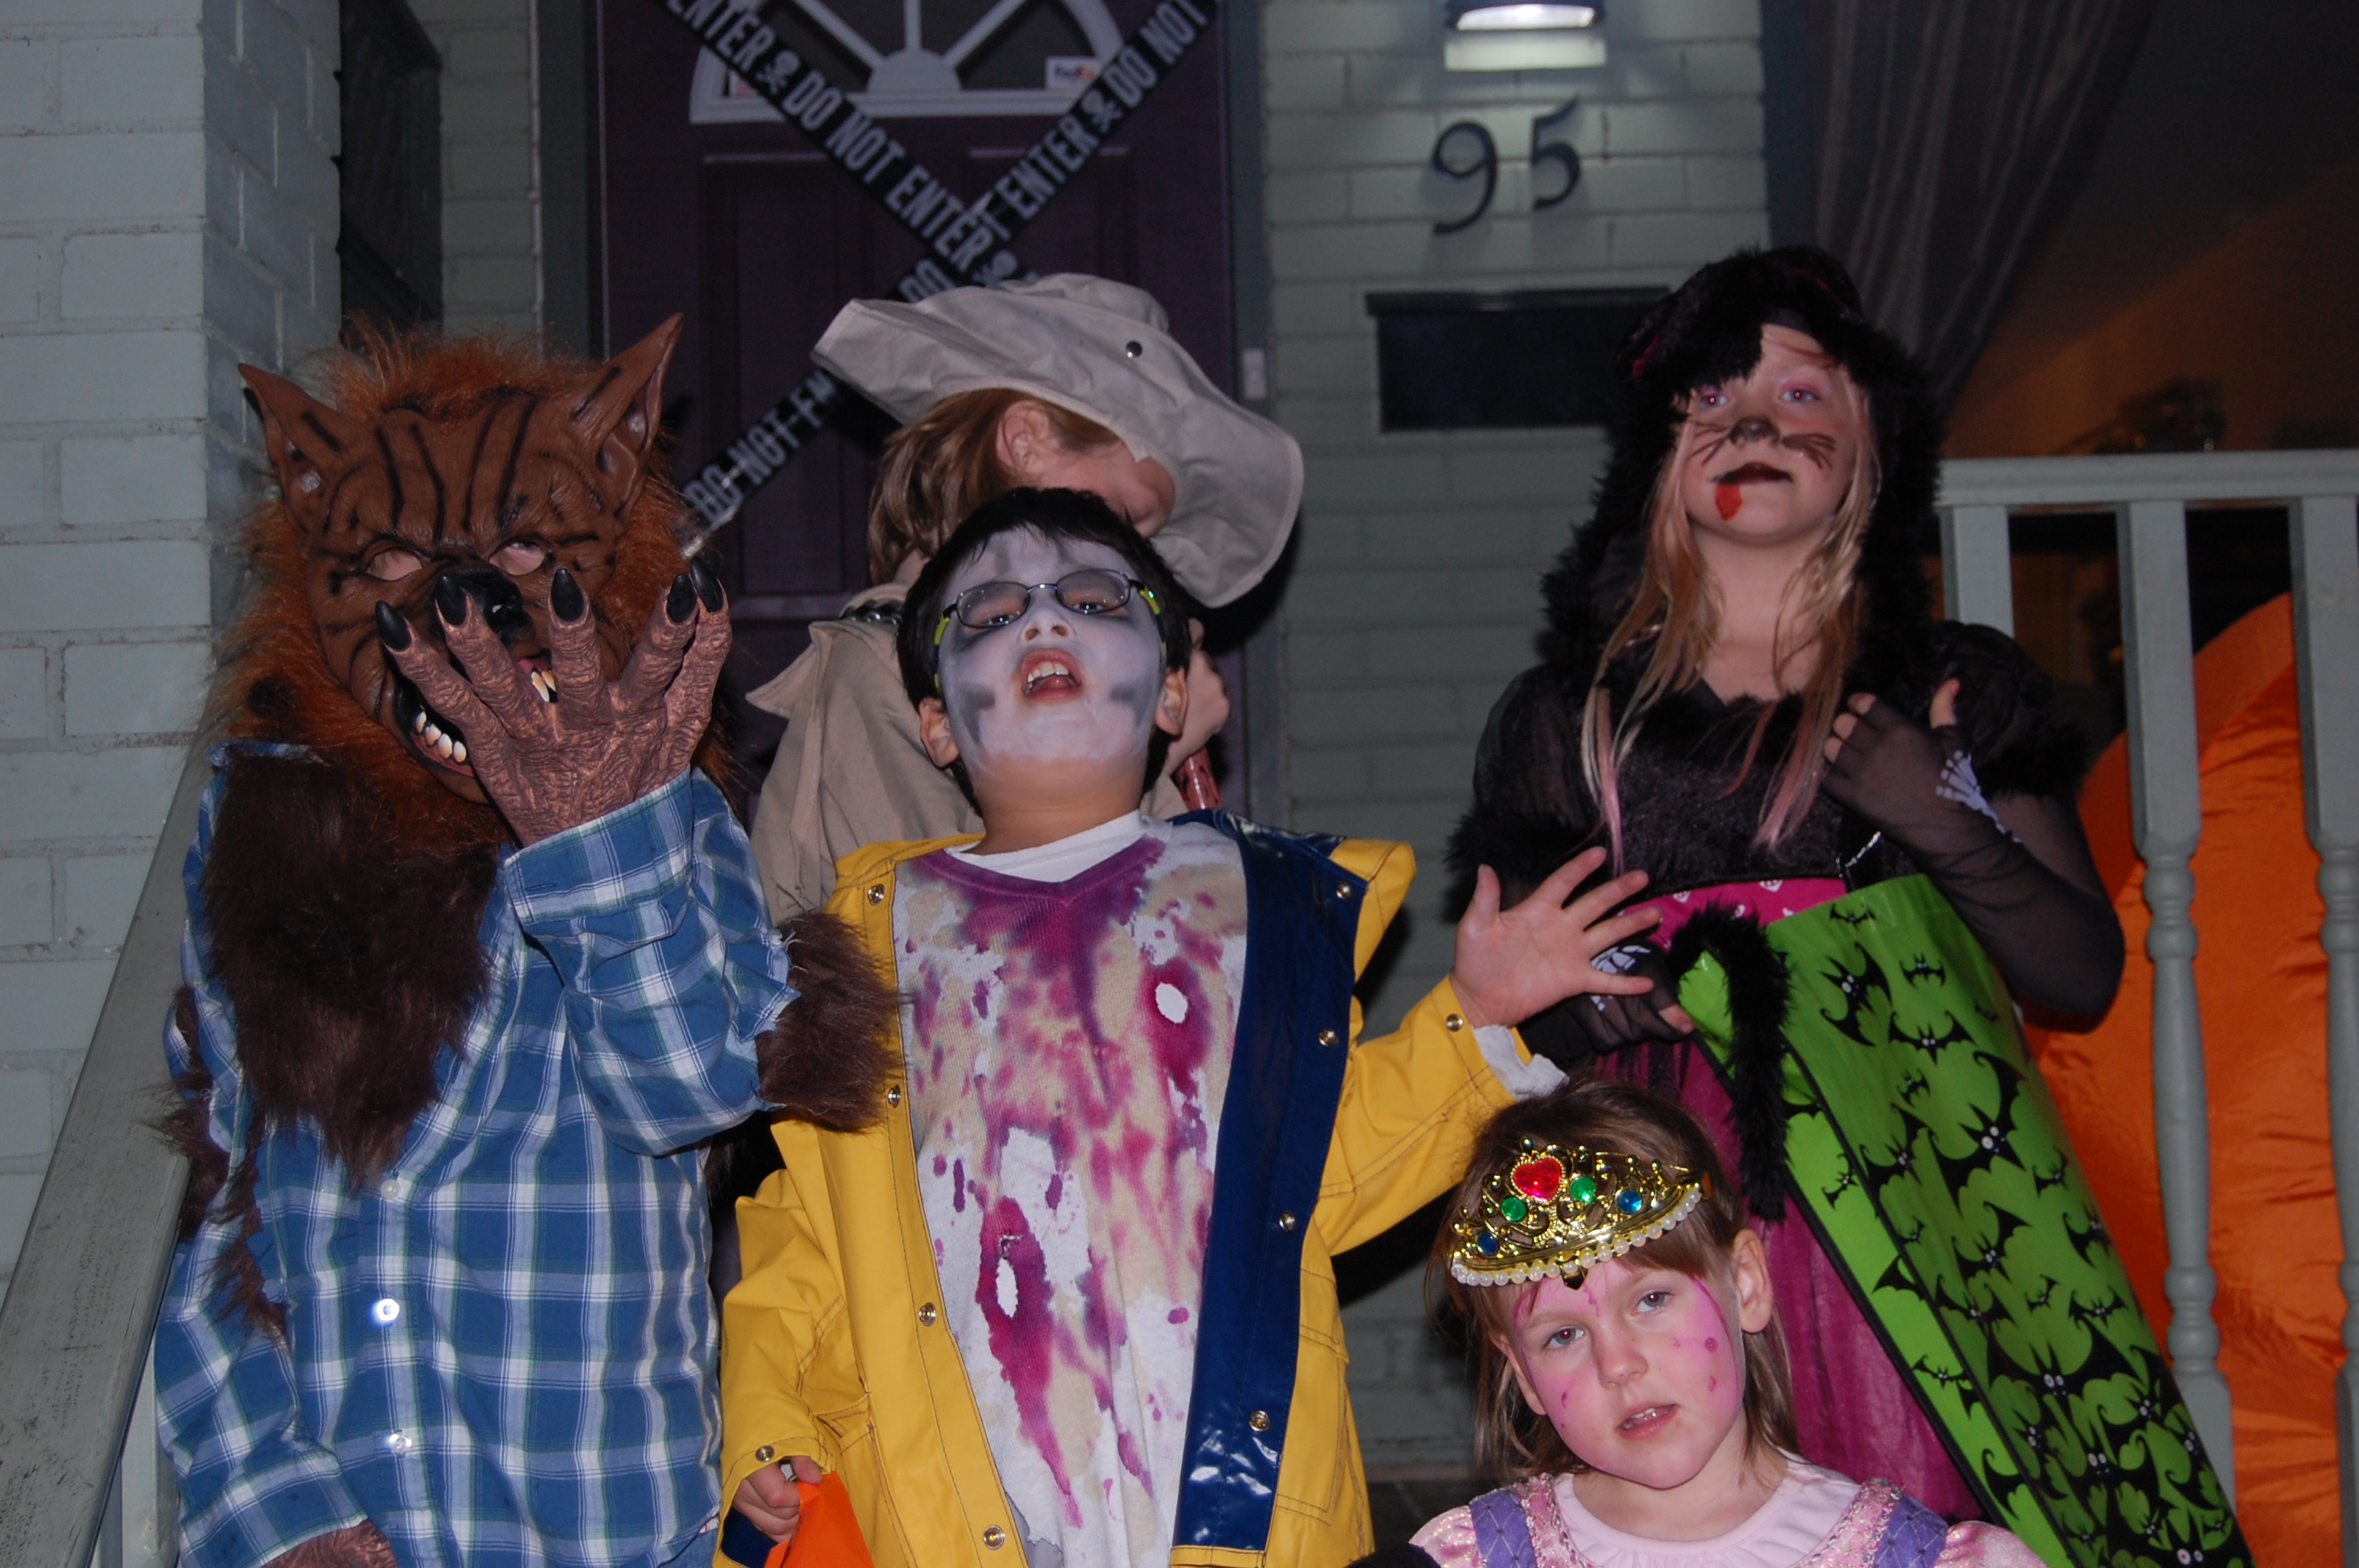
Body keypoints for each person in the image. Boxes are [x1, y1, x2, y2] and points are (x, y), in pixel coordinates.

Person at [1447, 248, 2246, 1563]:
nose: (1754, 424)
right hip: (1676, 1208)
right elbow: (1534, 1012)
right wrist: (1608, 1002)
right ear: (1657, 460)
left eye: (1800, 396)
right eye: (1712, 400)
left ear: (1870, 446)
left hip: (1928, 1182)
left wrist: (1938, 813)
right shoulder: (1567, 721)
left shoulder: (1946, 687)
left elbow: (2078, 974)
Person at [717, 488, 1666, 1568]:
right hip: (950, 1503)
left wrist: (1477, 1018)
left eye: (1090, 598)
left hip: (1224, 1503)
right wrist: (770, 1420)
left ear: (1172, 691)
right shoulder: (866, 945)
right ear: (935, 720)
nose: (1043, 619)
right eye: (991, 613)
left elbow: (1314, 1175)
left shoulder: (1261, 912)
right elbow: (805, 1231)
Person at [157, 323, 891, 1568]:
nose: (463, 615)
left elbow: (688, 1091)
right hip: (345, 1497)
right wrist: (273, 1506)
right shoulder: (265, 827)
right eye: (394, 561)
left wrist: (594, 838)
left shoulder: (669, 822)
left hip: (592, 1522)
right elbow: (211, 1188)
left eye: (519, 555)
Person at [744, 273, 1301, 920]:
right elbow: (972, 948)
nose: (1130, 557)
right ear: (1025, 442)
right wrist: (1153, 751)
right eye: (1123, 516)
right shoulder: (879, 673)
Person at [1379, 1081, 2045, 1567]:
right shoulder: (1474, 1557)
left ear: (1747, 1284)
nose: (1618, 1365)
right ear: (1523, 1374)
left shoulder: (1913, 1557)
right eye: (1564, 1336)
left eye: (1651, 1300)